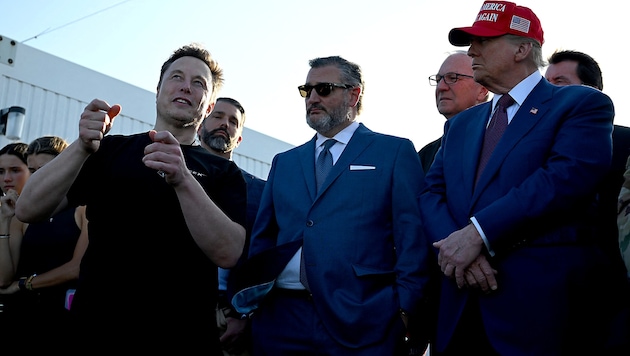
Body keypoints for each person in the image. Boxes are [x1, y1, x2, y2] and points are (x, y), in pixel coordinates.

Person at [420, 1, 629, 354]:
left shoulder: (580, 104)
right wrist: (458, 250)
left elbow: (566, 177)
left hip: (537, 315)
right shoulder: (460, 124)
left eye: (483, 41)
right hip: (459, 310)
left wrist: (477, 235)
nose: (472, 50)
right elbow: (431, 193)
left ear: (522, 48)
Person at [14, 43, 247, 353]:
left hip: (183, 336)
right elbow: (28, 208)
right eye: (176, 77)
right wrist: (82, 146)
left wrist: (183, 178)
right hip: (97, 331)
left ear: (207, 106)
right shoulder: (109, 151)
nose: (186, 87)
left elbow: (229, 252)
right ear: (158, 90)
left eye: (199, 83)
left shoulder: (224, 173)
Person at [231, 55, 431, 355]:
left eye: (323, 89)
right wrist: (251, 307)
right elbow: (264, 241)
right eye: (306, 90)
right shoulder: (284, 163)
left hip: (364, 320)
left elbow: (412, 239)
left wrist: (405, 310)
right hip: (280, 322)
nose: (312, 97)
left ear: (354, 94)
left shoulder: (394, 152)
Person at [545, 50, 630, 281]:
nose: (549, 91)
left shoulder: (625, 144)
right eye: (546, 83)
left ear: (591, 91)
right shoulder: (531, 150)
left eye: (560, 82)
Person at [0, 136, 89, 351]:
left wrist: (25, 284)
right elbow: (4, 279)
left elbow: (77, 268)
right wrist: (5, 220)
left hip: (61, 320)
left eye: (45, 168)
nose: (38, 176)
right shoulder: (24, 213)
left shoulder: (83, 208)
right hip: (20, 317)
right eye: (32, 170)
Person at [198, 97, 266, 356]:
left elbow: (264, 257)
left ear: (238, 139)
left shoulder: (260, 192)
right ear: (200, 125)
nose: (225, 124)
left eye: (233, 121)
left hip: (228, 317)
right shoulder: (168, 173)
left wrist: (244, 315)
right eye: (217, 116)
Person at [419, 51, 489, 173]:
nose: (441, 87)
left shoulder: (499, 143)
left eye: (452, 78)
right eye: (438, 80)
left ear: (482, 91)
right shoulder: (425, 156)